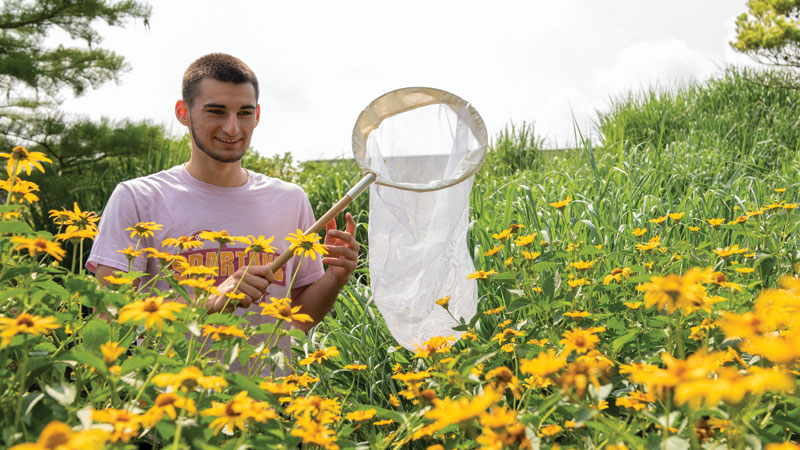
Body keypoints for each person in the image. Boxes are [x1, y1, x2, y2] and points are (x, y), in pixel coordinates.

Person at [87, 53, 358, 351]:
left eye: (244, 113)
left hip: (270, 394)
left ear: (257, 115)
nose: (232, 128)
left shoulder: (290, 200)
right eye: (216, 111)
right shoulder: (139, 198)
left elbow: (299, 322)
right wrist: (211, 300)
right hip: (169, 393)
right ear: (183, 112)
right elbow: (111, 319)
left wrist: (335, 277)